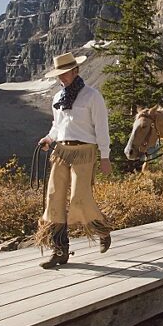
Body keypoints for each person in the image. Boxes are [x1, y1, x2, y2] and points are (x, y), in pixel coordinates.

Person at [36, 51, 113, 268]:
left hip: (84, 151)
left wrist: (105, 156)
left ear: (76, 70)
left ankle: (101, 228)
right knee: (54, 197)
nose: (62, 78)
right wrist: (49, 139)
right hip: (61, 151)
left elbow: (102, 128)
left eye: (66, 73)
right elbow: (57, 126)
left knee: (80, 197)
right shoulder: (57, 97)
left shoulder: (92, 96)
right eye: (59, 75)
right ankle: (60, 251)